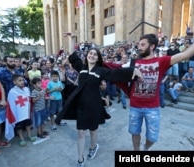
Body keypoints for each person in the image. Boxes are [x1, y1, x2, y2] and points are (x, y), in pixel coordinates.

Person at [123, 17, 194, 151]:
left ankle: (145, 148)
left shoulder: (162, 61)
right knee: (134, 132)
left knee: (152, 138)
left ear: (152, 46)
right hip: (135, 106)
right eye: (139, 44)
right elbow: (117, 72)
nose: (139, 47)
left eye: (142, 44)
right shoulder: (134, 62)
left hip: (152, 108)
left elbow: (186, 54)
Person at [55, 33, 143, 167]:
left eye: (95, 54)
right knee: (80, 132)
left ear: (98, 58)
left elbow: (116, 73)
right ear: (87, 56)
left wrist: (133, 70)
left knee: (93, 129)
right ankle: (80, 159)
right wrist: (73, 39)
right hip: (81, 104)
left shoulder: (101, 70)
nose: (92, 55)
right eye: (90, 53)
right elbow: (73, 55)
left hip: (94, 104)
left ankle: (93, 146)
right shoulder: (82, 67)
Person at [5, 74, 36, 146]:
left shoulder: (26, 89)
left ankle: (29, 135)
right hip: (18, 113)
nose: (22, 82)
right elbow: (11, 105)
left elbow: (28, 100)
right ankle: (21, 138)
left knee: (28, 124)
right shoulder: (12, 92)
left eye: (23, 80)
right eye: (19, 80)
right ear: (14, 82)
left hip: (26, 111)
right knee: (19, 126)